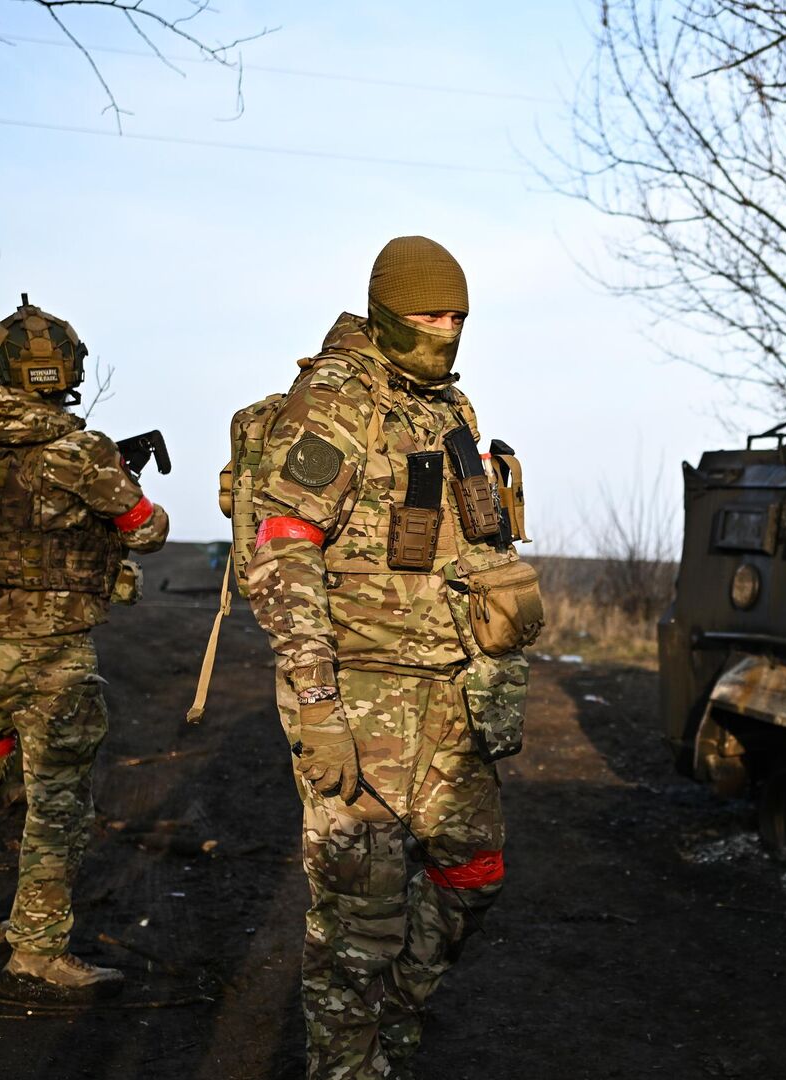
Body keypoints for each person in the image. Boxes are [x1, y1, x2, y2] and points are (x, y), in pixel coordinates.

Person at [245, 236, 535, 1079]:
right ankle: (347, 1062)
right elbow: (282, 549)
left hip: (448, 688)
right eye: (428, 314)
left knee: (473, 873)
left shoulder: (450, 406)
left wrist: (497, 662)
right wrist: (318, 705)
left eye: (458, 316)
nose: (445, 330)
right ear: (383, 309)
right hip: (356, 691)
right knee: (356, 922)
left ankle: (394, 1019)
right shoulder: (335, 401)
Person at [0, 295, 169, 999]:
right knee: (57, 799)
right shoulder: (79, 450)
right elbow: (146, 528)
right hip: (52, 658)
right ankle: (36, 951)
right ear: (64, 369)